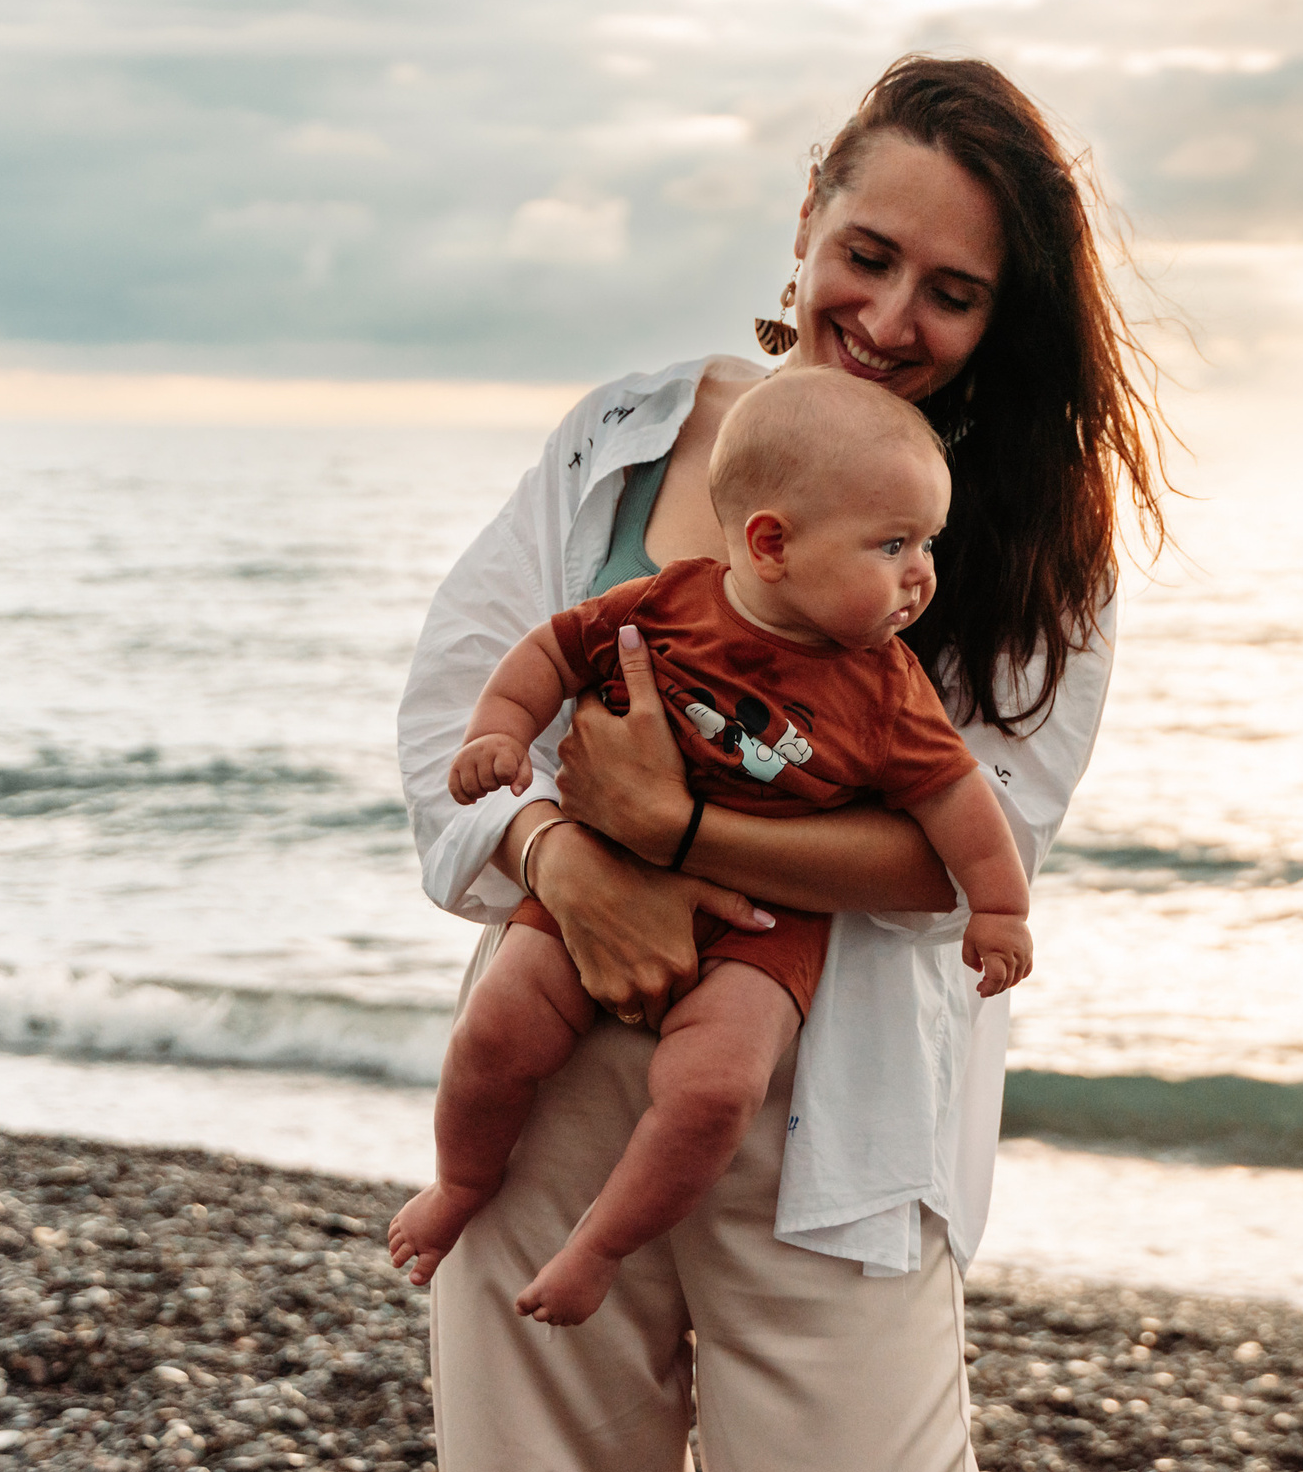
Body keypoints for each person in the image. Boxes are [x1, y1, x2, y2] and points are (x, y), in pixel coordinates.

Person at [397, 54, 1172, 1472]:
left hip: (837, 1127)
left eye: (952, 291)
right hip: (553, 1071)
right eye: (868, 255)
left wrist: (674, 829)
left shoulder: (1018, 541)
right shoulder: (621, 439)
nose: (889, 318)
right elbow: (450, 714)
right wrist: (564, 855)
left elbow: (968, 847)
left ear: (1002, 317)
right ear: (809, 214)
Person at [387, 368, 1035, 1328]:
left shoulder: (886, 688)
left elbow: (958, 802)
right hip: (605, 880)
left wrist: (1000, 906)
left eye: (926, 544)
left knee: (715, 1090)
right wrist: (501, 732)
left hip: (763, 927)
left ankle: (600, 1244)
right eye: (894, 545)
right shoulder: (671, 603)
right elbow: (549, 651)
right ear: (772, 543)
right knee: (494, 1029)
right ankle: (459, 1182)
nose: (921, 574)